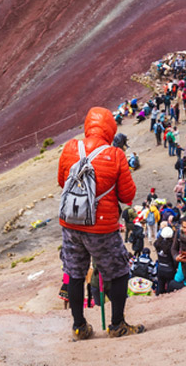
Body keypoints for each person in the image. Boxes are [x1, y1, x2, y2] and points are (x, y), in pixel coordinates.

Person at [58, 107, 145, 340]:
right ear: (110, 129)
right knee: (118, 272)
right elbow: (128, 196)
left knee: (75, 274)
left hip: (71, 224)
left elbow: (61, 181)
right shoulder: (115, 155)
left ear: (88, 125)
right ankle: (117, 324)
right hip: (101, 228)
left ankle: (79, 327)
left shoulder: (69, 148)